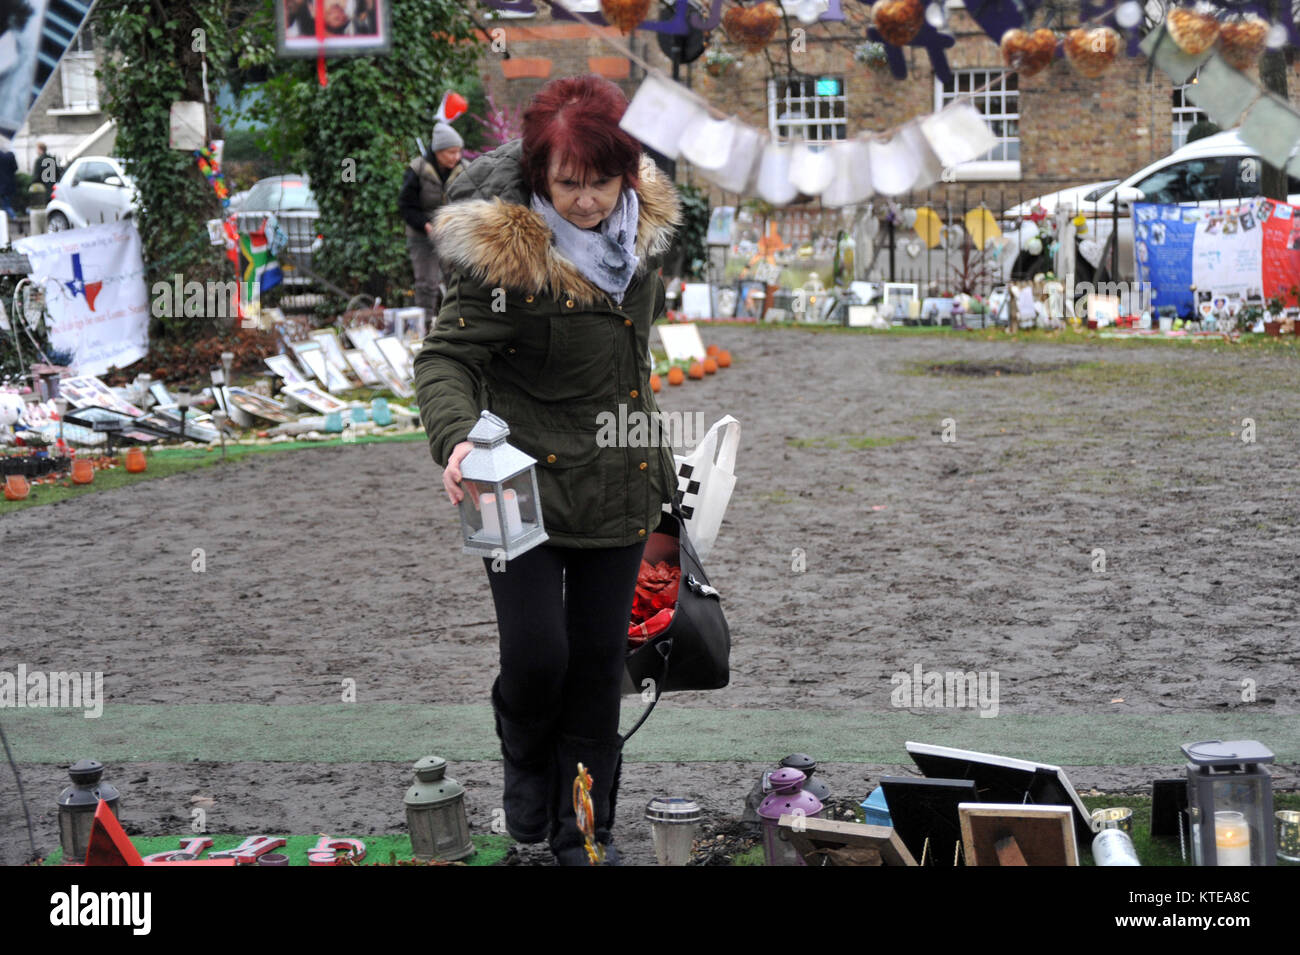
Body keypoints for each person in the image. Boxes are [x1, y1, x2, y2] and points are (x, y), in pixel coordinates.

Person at [413, 74, 682, 865]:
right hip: (515, 484)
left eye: (604, 182)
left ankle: (582, 833)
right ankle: (523, 759)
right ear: (539, 175)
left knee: (599, 670)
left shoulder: (640, 236)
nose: (590, 200)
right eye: (570, 184)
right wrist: (457, 438)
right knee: (537, 657)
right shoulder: (505, 258)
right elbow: (445, 360)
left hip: (618, 476)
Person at [399, 121, 467, 315]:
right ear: (438, 151)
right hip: (422, 235)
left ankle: (456, 322)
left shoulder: (466, 170)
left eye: (459, 151)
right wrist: (426, 225)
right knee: (426, 284)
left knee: (457, 282)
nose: (457, 157)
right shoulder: (417, 169)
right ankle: (424, 326)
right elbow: (406, 205)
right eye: (451, 152)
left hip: (453, 236)